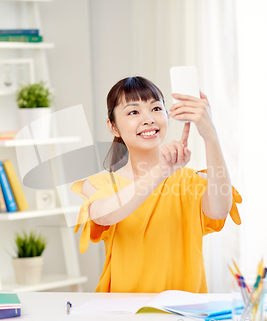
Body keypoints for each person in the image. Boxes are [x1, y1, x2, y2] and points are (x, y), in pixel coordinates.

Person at [71, 76, 242, 293]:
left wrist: (211, 136)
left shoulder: (189, 181)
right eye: (133, 112)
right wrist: (161, 171)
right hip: (125, 315)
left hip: (184, 314)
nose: (149, 119)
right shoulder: (99, 184)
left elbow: (219, 210)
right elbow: (104, 214)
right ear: (113, 127)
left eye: (156, 108)